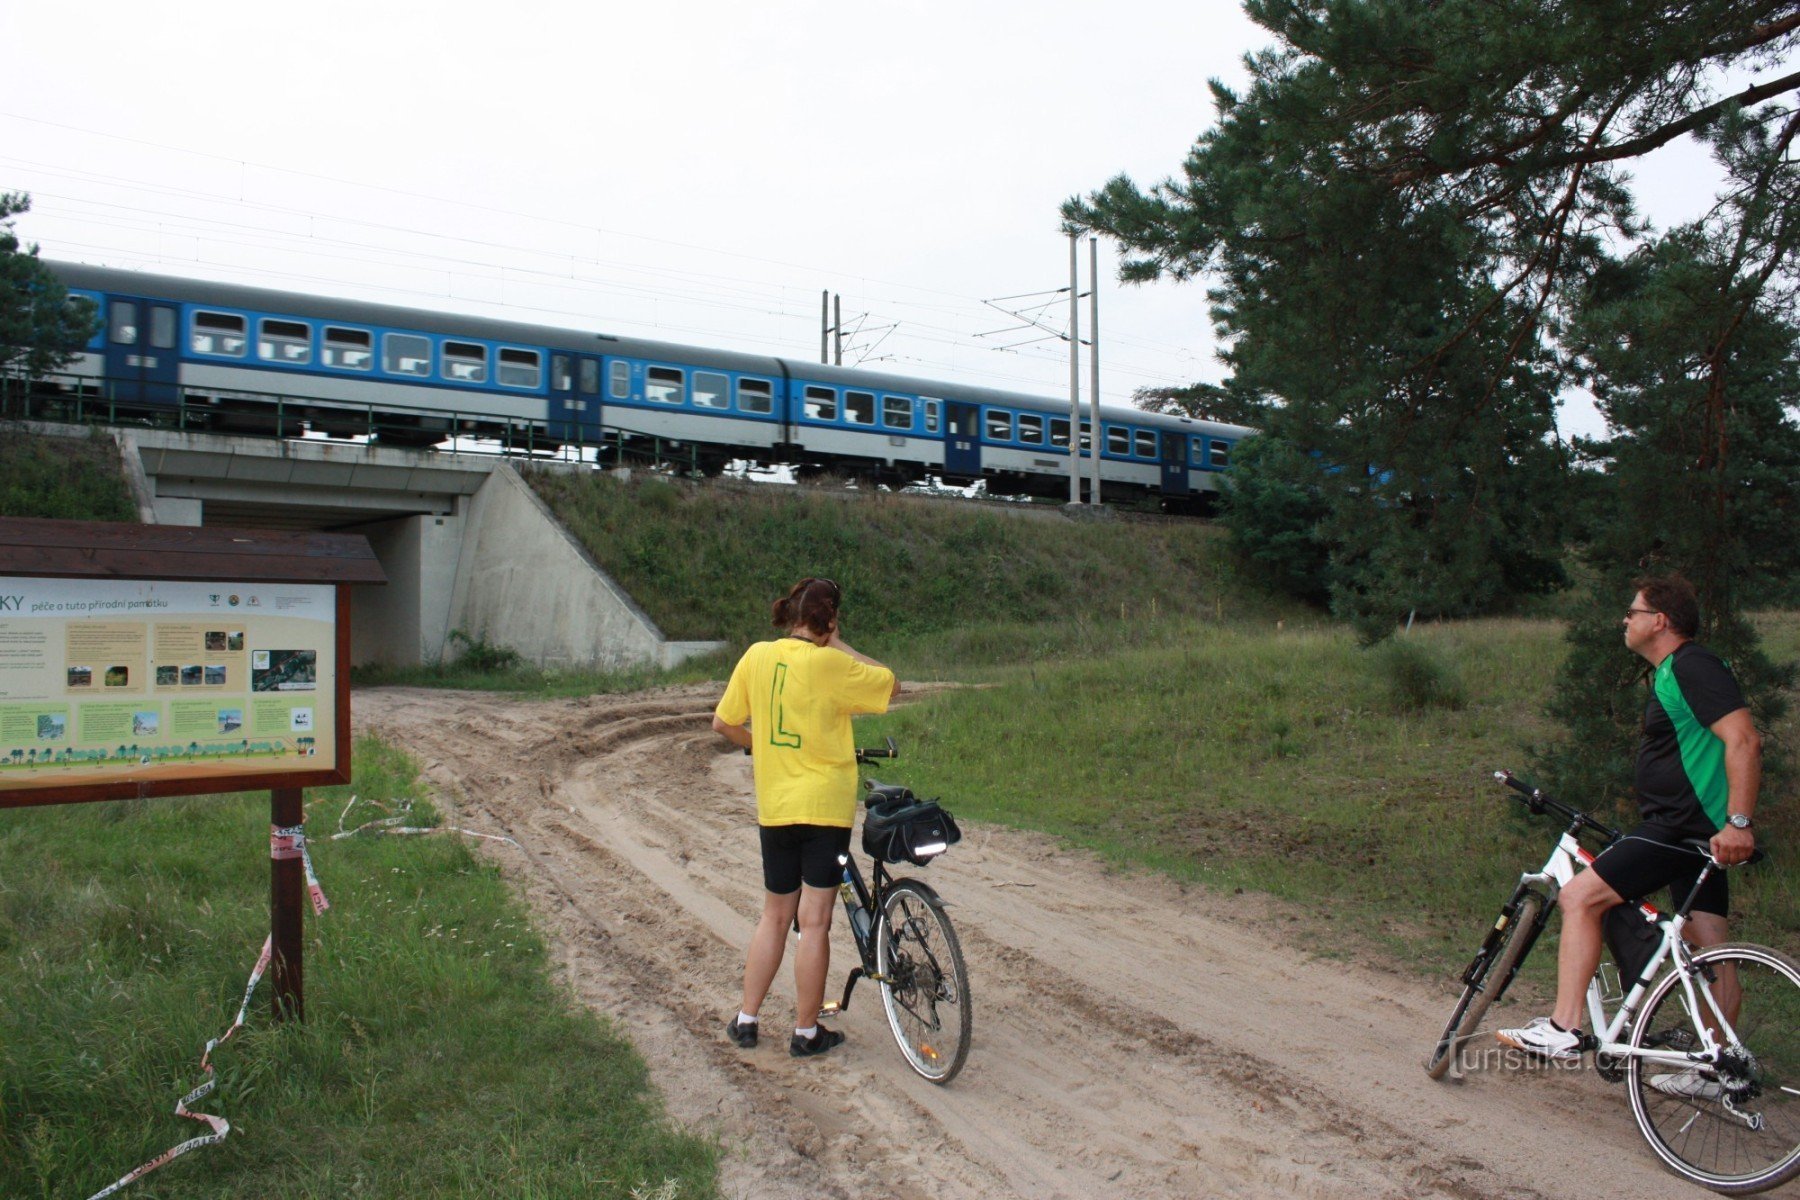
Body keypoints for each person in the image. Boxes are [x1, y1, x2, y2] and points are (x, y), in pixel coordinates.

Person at [1499, 574, 1761, 1092]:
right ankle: (1719, 1064)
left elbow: (1745, 741)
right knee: (1710, 947)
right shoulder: (1678, 671)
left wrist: (1739, 822)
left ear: (1659, 620)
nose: (1625, 619)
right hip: (1699, 833)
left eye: (1633, 611)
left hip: (1681, 826)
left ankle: (1564, 1027)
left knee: (1580, 897)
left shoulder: (1690, 666)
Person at [711, 577, 899, 1058]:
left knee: (774, 917)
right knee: (813, 923)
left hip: (776, 808)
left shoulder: (756, 656)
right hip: (824, 809)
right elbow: (891, 685)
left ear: (792, 616)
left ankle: (747, 1020)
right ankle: (806, 1031)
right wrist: (840, 643)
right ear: (827, 621)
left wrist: (761, 746)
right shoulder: (831, 663)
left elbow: (724, 722)